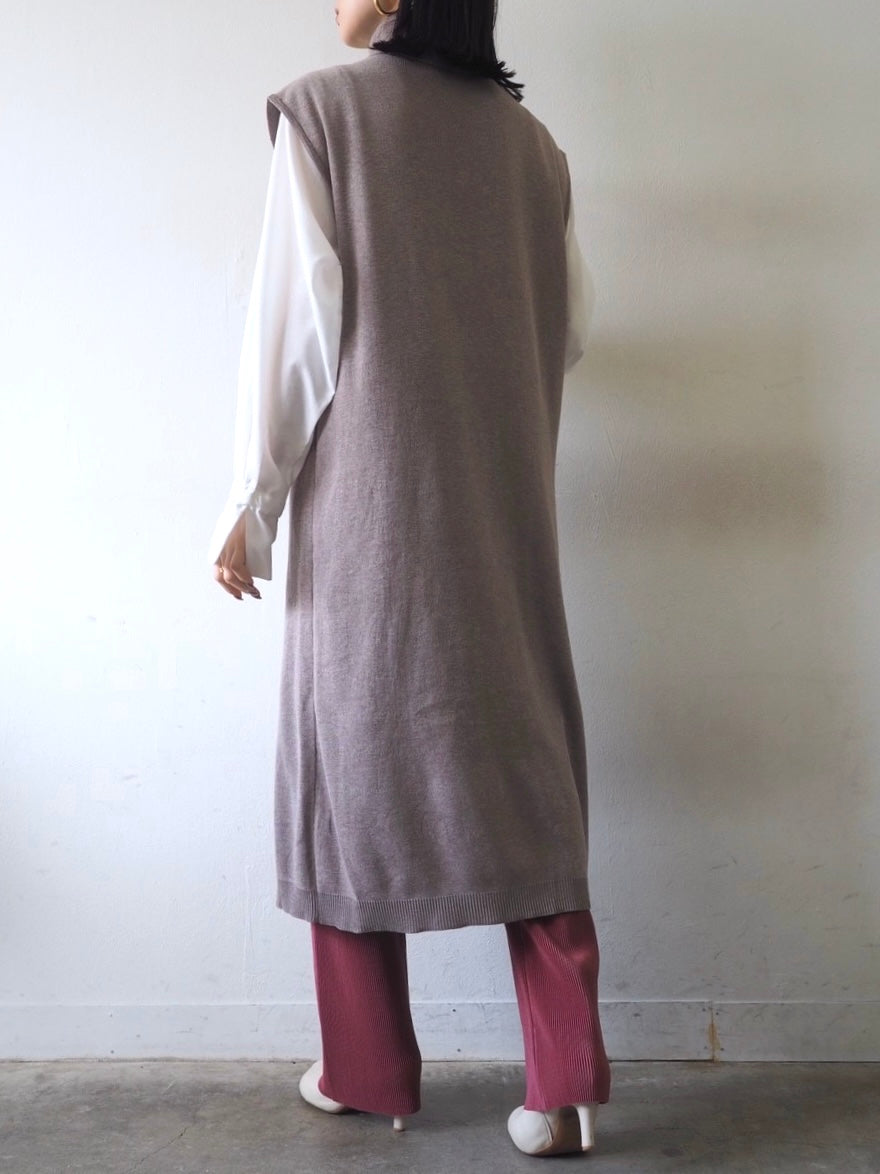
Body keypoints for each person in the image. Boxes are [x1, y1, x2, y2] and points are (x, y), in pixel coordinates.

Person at [208, 0, 612, 1157]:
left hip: (371, 511)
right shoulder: (533, 148)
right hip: (503, 502)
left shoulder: (327, 113)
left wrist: (251, 503)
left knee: (350, 763)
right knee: (526, 767)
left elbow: (293, 324)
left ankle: (369, 1069)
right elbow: (571, 327)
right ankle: (563, 1086)